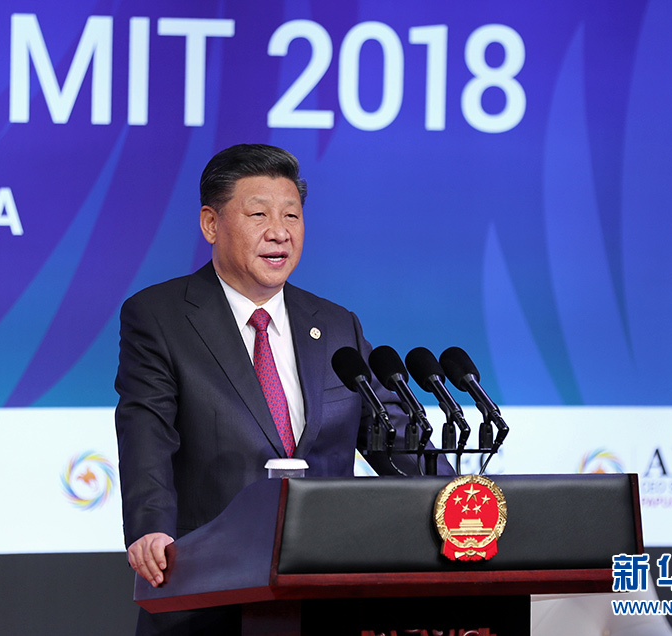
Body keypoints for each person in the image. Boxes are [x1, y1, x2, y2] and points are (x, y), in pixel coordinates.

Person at [114, 144, 450, 635]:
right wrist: (151, 528)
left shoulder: (335, 325)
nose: (279, 231)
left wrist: (461, 501)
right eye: (259, 215)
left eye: (291, 215)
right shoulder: (160, 317)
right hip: (207, 590)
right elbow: (146, 432)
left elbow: (394, 435)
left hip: (325, 591)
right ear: (210, 224)